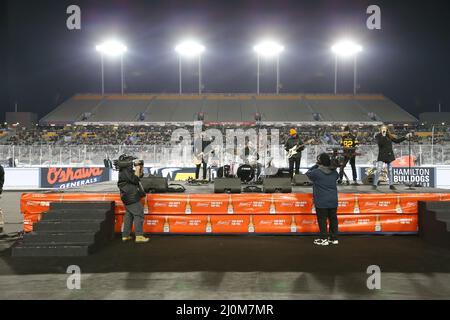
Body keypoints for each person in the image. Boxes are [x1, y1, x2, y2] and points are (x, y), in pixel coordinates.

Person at [306, 153, 339, 246]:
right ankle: (334, 238)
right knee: (333, 219)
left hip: (321, 200)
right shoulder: (334, 172)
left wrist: (316, 165)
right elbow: (337, 177)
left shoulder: (316, 172)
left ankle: (324, 238)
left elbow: (307, 173)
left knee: (322, 220)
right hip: (333, 200)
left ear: (320, 161)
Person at [117, 154, 149, 243]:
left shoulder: (125, 170)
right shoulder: (125, 170)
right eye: (130, 160)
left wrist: (140, 167)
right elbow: (135, 179)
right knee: (139, 214)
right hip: (131, 196)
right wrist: (138, 168)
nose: (132, 162)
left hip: (127, 196)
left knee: (129, 215)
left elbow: (139, 176)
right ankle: (139, 236)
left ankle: (125, 235)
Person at [373, 125, 413, 190]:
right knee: (378, 170)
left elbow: (397, 141)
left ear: (386, 129)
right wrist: (383, 135)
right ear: (380, 129)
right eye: (382, 129)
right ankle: (375, 184)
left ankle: (391, 185)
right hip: (382, 155)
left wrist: (405, 137)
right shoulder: (378, 136)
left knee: (390, 170)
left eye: (385, 128)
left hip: (389, 154)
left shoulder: (389, 135)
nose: (384, 129)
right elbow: (380, 144)